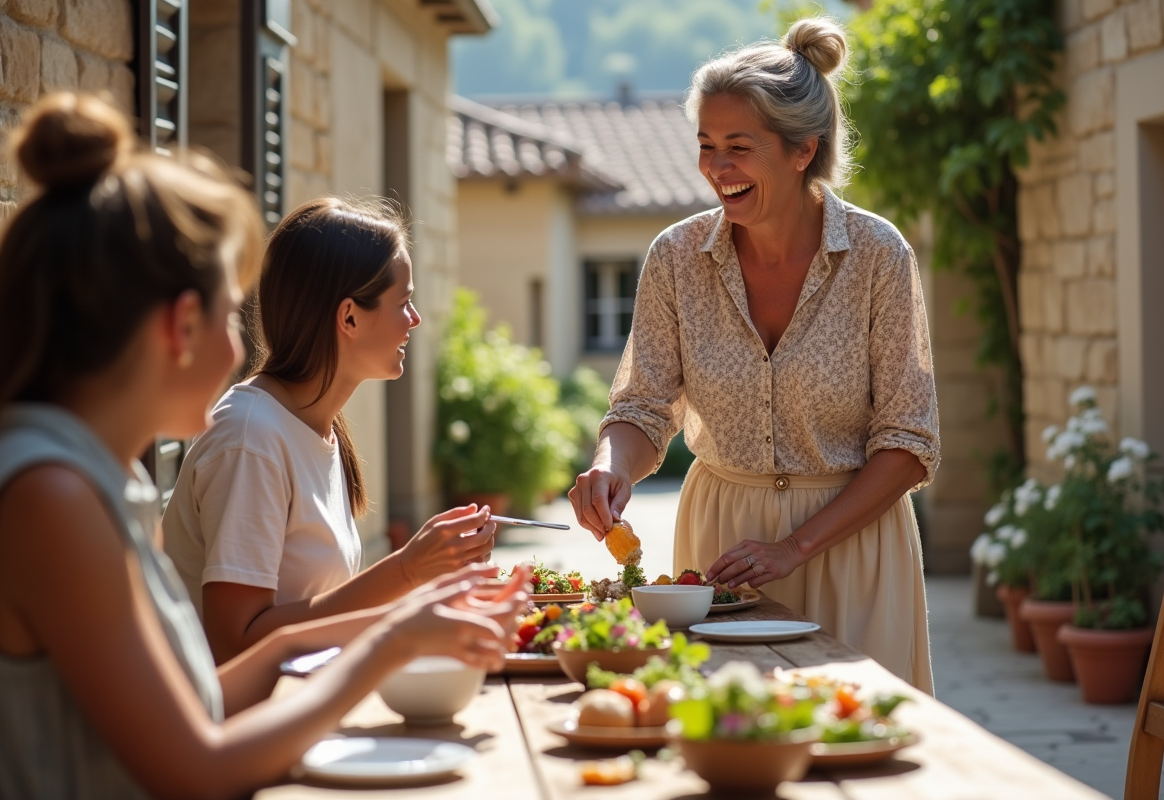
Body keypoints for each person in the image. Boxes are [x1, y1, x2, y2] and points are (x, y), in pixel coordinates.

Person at [0, 92, 528, 800]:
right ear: (181, 327)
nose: (239, 348)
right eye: (229, 316)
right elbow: (196, 766)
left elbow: (201, 700)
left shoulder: (96, 479)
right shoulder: (53, 497)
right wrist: (390, 638)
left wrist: (407, 619)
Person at [568, 17, 939, 693]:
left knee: (859, 736)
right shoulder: (675, 258)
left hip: (852, 545)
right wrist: (610, 466)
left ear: (803, 151)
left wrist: (795, 547)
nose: (716, 168)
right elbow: (644, 408)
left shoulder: (879, 256)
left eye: (738, 147)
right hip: (723, 545)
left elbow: (909, 442)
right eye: (706, 146)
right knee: (726, 730)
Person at [162, 196, 498, 664]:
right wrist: (406, 570)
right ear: (349, 317)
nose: (415, 319)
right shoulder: (250, 439)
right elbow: (235, 642)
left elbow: (319, 611)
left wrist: (426, 580)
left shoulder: (315, 426)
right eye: (404, 302)